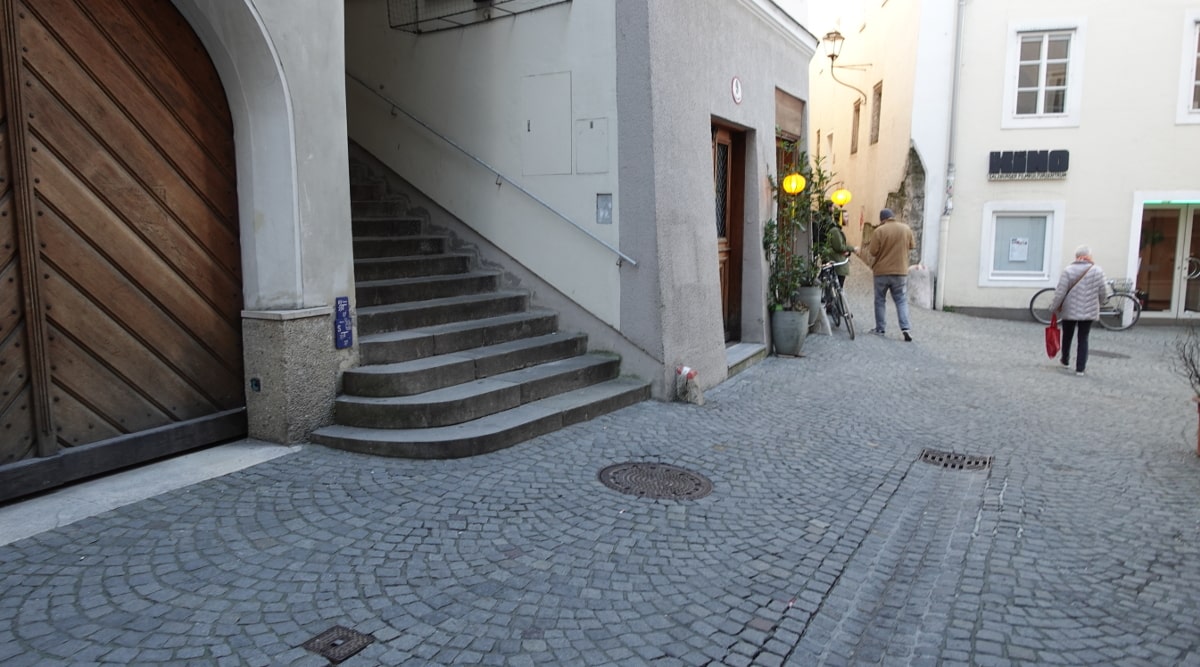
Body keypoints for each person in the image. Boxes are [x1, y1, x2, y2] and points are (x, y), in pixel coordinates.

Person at [1048, 245, 1107, 376]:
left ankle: (1065, 360)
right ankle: (1080, 368)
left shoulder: (1068, 270)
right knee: (1083, 338)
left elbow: (1060, 292)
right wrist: (1099, 303)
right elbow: (1103, 291)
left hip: (1070, 309)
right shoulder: (1097, 271)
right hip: (1089, 309)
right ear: (1089, 256)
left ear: (1076, 256)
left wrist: (1054, 307)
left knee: (1067, 335)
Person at [864, 208, 916, 341]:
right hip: (900, 272)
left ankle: (880, 328)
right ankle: (906, 328)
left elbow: (873, 251)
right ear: (893, 216)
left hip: (882, 271)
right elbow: (911, 246)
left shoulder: (879, 231)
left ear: (882, 220)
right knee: (901, 300)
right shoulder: (906, 229)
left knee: (880, 300)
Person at [823, 204, 857, 288]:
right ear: (840, 218)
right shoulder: (835, 231)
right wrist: (853, 249)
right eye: (845, 217)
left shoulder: (837, 229)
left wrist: (847, 251)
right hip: (838, 264)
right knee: (838, 288)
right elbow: (839, 247)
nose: (847, 219)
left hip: (838, 263)